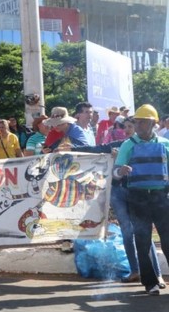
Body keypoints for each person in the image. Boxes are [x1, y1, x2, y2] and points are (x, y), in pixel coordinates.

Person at [70, 116, 165, 286]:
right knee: (130, 233)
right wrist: (70, 148)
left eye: (132, 125)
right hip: (123, 194)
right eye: (128, 126)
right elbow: (94, 149)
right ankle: (138, 273)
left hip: (149, 196)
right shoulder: (122, 145)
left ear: (151, 124)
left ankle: (156, 275)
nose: (130, 129)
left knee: (149, 236)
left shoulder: (158, 143)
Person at [114, 104, 169, 296]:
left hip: (161, 196)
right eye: (136, 121)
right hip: (137, 198)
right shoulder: (128, 145)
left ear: (152, 123)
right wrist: (120, 171)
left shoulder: (165, 143)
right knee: (143, 240)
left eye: (141, 122)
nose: (137, 125)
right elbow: (116, 171)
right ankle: (150, 283)